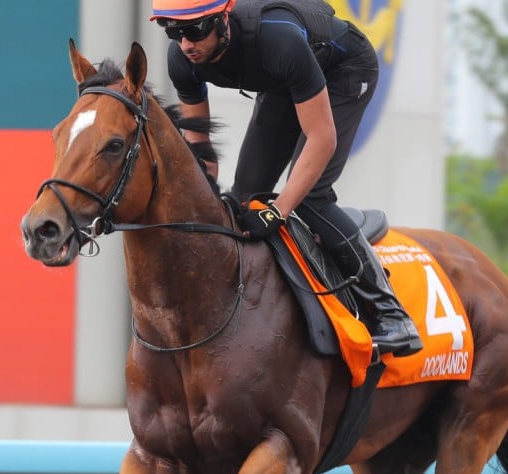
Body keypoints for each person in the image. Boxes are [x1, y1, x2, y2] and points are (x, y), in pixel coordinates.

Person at [150, 0, 423, 358]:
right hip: (283, 81)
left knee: (310, 197)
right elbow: (201, 151)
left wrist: (279, 211)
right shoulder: (181, 61)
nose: (186, 43)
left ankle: (392, 314)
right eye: (174, 30)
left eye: (195, 30)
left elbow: (322, 138)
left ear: (223, 19)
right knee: (245, 199)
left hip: (344, 69)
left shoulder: (279, 39)